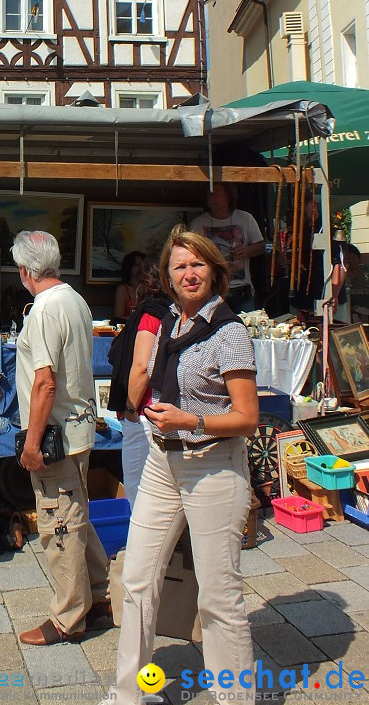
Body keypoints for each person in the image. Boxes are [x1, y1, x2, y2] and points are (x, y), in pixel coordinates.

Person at [108, 228, 258, 705]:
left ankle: (235, 698)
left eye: (198, 264)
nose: (189, 273)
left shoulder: (229, 332)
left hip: (212, 466)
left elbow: (248, 418)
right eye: (180, 266)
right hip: (161, 461)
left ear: (215, 270)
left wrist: (190, 419)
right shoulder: (169, 320)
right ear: (168, 277)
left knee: (217, 594)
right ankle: (129, 693)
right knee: (137, 577)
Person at [11, 229, 111, 646]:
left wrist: (31, 443)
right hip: (78, 426)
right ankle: (101, 596)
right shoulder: (75, 299)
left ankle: (70, 617)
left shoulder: (44, 309)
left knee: (60, 524)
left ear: (24, 270)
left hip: (56, 435)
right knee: (76, 510)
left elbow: (45, 383)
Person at [107, 262, 171, 509]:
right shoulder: (172, 313)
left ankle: (142, 547)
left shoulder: (150, 316)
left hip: (144, 413)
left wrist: (131, 410)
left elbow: (143, 366)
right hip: (158, 410)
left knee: (138, 489)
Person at [190, 182, 264, 312]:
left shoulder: (245, 218)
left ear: (228, 196)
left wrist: (246, 251)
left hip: (242, 289)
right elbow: (191, 257)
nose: (211, 198)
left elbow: (262, 247)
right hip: (212, 290)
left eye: (216, 193)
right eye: (209, 194)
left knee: (246, 328)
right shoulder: (198, 223)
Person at [113, 251, 145, 321]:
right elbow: (118, 317)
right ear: (129, 267)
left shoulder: (149, 288)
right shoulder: (123, 289)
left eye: (143, 265)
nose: (141, 268)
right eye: (137, 265)